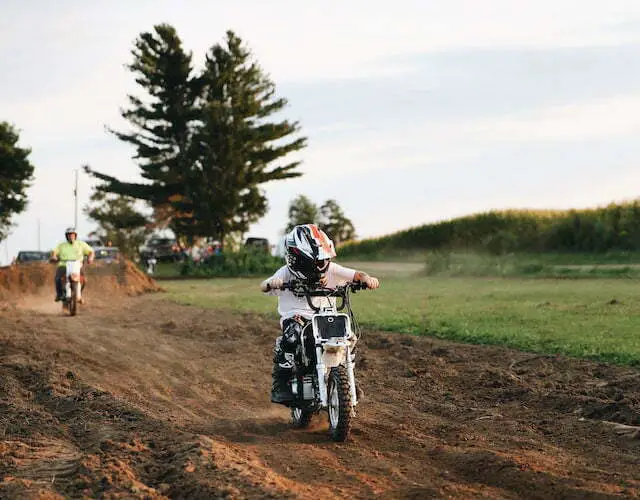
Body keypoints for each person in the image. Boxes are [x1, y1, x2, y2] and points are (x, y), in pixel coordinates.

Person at [260, 224, 380, 405]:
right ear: (295, 260)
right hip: (297, 317)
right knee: (291, 339)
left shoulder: (332, 269)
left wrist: (366, 279)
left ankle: (346, 377)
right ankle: (281, 383)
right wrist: (273, 283)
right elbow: (264, 285)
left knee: (349, 338)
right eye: (313, 263)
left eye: (323, 261)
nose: (319, 266)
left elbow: (356, 274)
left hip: (325, 316)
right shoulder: (285, 272)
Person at [51, 227, 95, 302]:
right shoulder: (62, 245)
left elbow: (91, 252)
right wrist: (54, 257)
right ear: (66, 236)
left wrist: (90, 258)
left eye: (72, 235)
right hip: (63, 265)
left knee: (84, 280)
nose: (71, 236)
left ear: (75, 236)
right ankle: (59, 294)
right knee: (57, 279)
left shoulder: (81, 244)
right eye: (69, 235)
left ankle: (79, 294)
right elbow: (54, 252)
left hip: (77, 265)